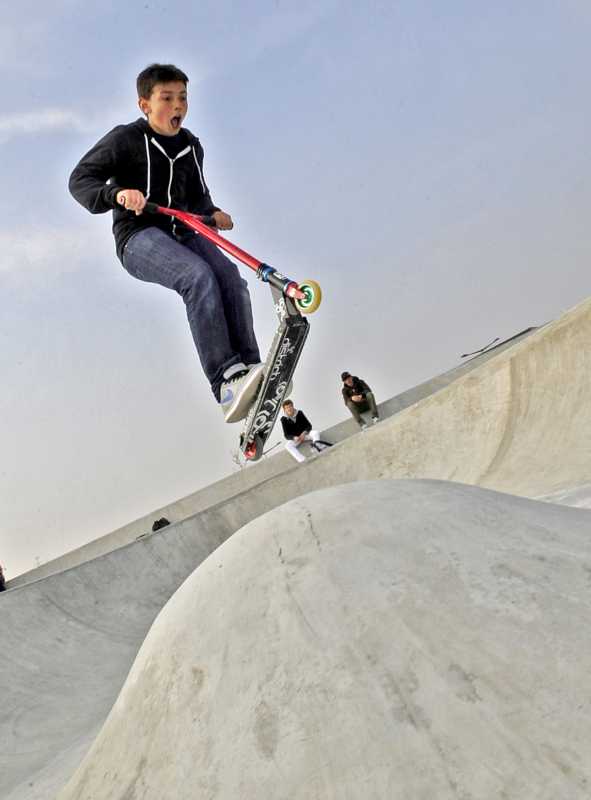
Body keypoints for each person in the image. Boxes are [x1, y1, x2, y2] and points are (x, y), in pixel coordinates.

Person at [69, 63, 263, 423]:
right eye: (167, 98)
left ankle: (253, 370)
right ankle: (226, 382)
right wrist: (116, 194)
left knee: (230, 278)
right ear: (145, 104)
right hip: (138, 237)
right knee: (197, 276)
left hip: (183, 231)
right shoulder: (125, 139)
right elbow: (80, 179)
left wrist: (213, 212)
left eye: (183, 98)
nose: (178, 106)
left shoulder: (191, 146)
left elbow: (198, 196)